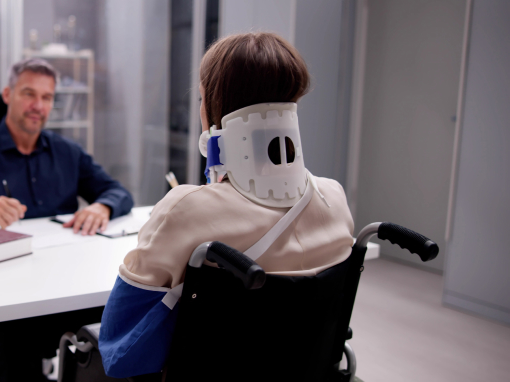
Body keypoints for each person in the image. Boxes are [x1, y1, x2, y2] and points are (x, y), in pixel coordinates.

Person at [98, 32, 355, 378]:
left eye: (202, 98)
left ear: (213, 112)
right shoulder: (335, 198)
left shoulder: (185, 209)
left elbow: (121, 346)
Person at [0, 58, 133, 381]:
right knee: (15, 343)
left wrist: (102, 207)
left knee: (119, 314)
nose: (38, 105)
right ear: (7, 94)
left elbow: (117, 192)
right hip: (3, 296)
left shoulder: (67, 152)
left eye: (47, 98)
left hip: (63, 284)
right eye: (29, 94)